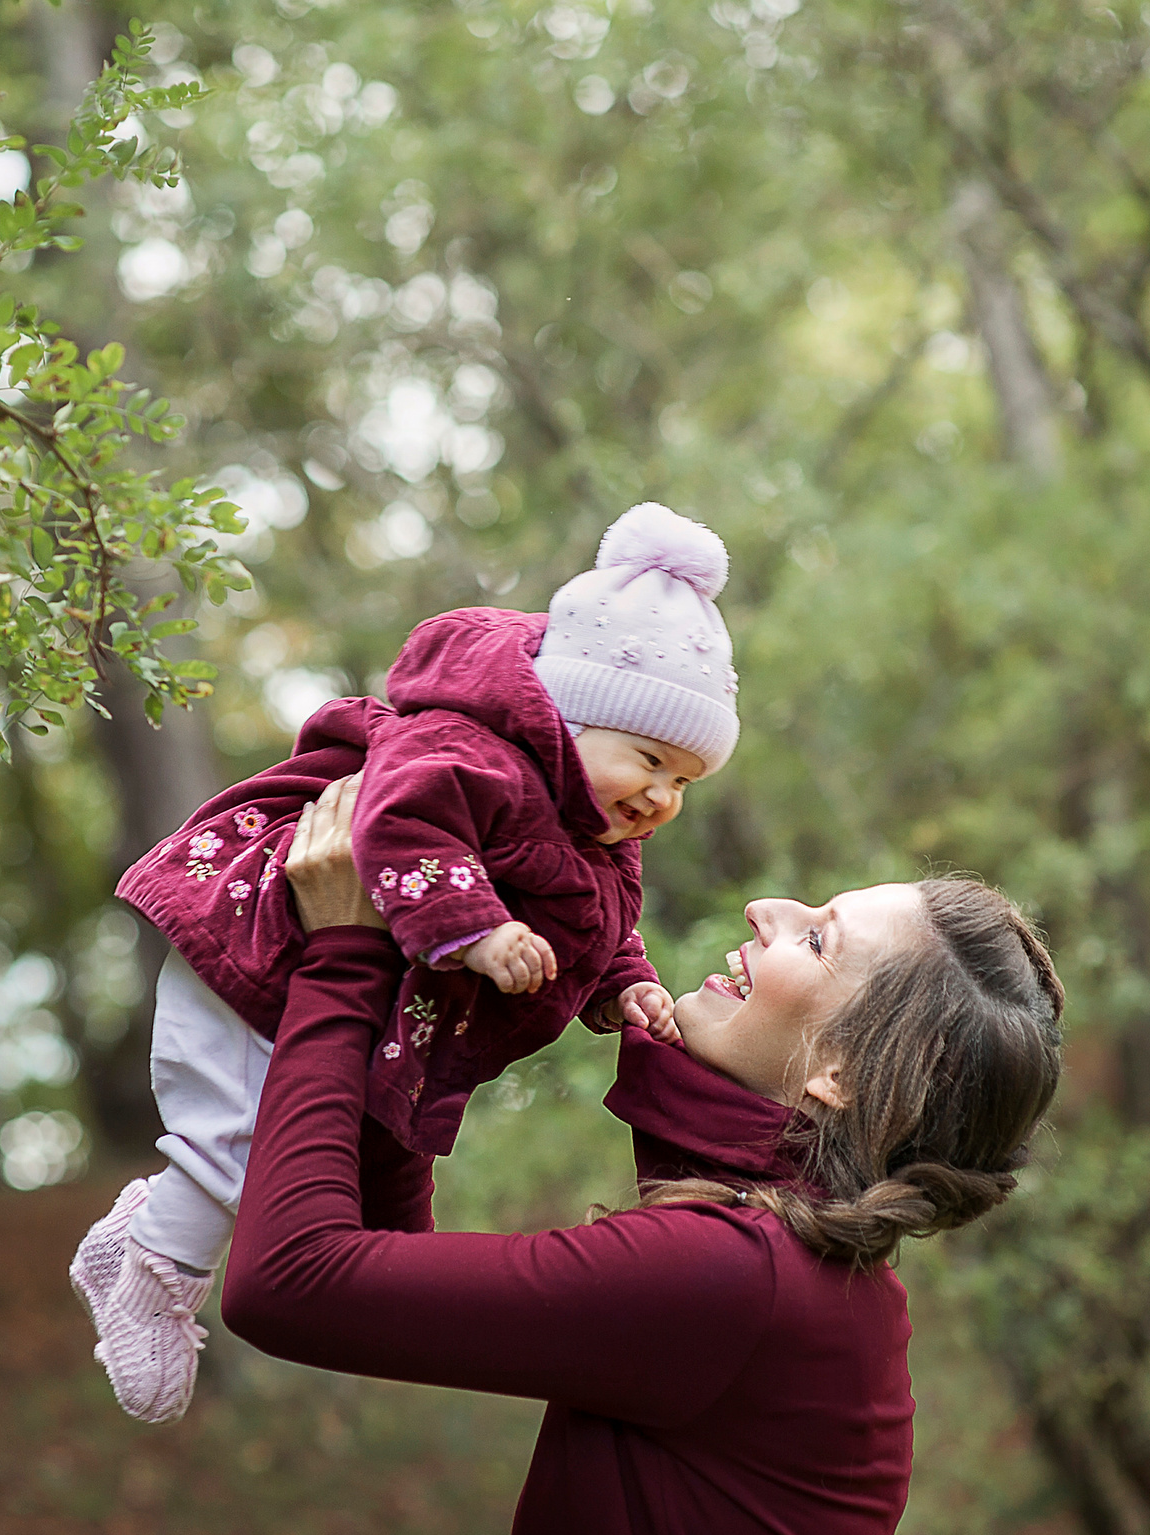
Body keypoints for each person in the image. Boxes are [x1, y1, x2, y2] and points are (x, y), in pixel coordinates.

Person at [221, 776, 1066, 1535]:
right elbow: (375, 1280)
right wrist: (423, 998)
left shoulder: (732, 1277)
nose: (764, 909)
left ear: (837, 1074)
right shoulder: (782, 1266)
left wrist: (345, 954)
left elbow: (288, 1283)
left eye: (817, 938)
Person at [71, 503, 744, 1423]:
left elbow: (600, 918)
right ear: (573, 717)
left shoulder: (598, 825)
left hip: (372, 991)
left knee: (373, 1159)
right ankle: (152, 1264)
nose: (663, 798)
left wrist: (623, 984)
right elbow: (397, 822)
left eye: (683, 783)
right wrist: (472, 930)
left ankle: (376, 1265)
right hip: (264, 943)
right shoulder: (471, 750)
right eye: (651, 760)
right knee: (239, 1136)